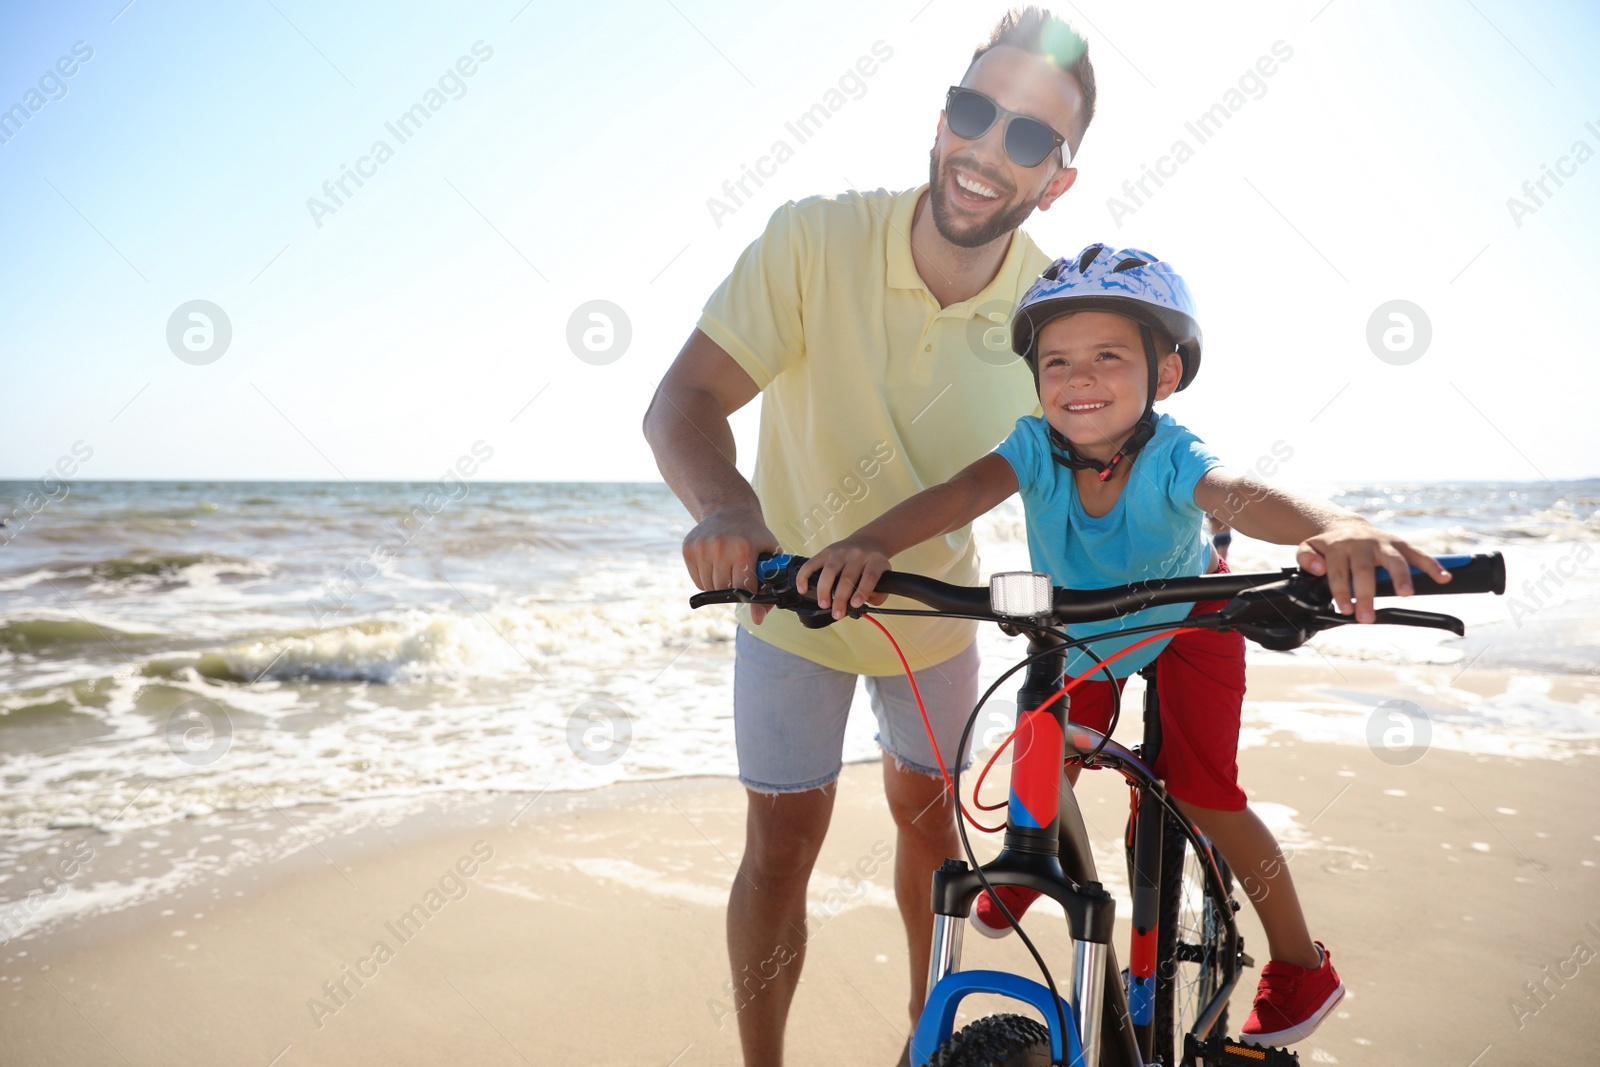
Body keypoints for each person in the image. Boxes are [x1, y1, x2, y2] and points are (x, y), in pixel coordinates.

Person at [796, 243, 1453, 1046]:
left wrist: (1334, 528)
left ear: (1165, 374)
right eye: (1058, 361)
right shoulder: (1033, 447)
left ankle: (1299, 962)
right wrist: (869, 543)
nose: (1079, 379)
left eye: (1108, 357)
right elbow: (963, 491)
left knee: (1206, 794)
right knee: (1044, 746)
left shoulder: (1172, 453)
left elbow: (1237, 494)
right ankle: (1028, 860)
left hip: (1190, 621)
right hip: (1085, 629)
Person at [642, 10, 1095, 1064]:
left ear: (1056, 180)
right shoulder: (814, 237)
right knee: (780, 849)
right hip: (787, 603)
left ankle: (918, 1035)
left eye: (1028, 137)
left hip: (936, 613)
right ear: (942, 119)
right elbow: (684, 400)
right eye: (976, 113)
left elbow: (1084, 464)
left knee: (928, 828)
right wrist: (726, 511)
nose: (989, 149)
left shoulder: (1051, 306)